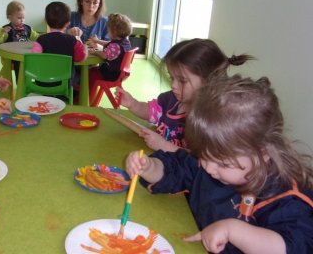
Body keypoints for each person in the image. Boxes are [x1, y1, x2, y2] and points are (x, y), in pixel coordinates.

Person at [126, 75, 313, 254]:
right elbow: (178, 167)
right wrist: (149, 167)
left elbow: (294, 247)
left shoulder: (287, 198)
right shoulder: (210, 163)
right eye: (203, 155)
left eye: (223, 164)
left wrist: (232, 230)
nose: (208, 167)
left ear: (263, 153)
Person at [117, 38, 253, 152]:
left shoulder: (210, 120)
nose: (173, 85)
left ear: (209, 81)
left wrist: (164, 146)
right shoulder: (171, 100)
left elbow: (201, 162)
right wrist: (133, 104)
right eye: (172, 78)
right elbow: (151, 112)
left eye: (182, 81)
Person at [88, 13, 132, 96]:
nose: (108, 32)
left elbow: (105, 55)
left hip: (112, 74)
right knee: (94, 70)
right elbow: (109, 44)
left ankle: (89, 94)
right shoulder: (124, 42)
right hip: (121, 73)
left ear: (113, 32)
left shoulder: (115, 46)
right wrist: (97, 41)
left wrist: (95, 52)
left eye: (108, 30)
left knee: (92, 72)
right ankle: (91, 93)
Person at [0, 1, 40, 80]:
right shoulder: (6, 29)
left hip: (26, 55)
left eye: (23, 18)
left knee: (37, 60)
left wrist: (45, 38)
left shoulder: (27, 28)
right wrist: (2, 32)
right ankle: (20, 83)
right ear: (10, 17)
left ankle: (33, 81)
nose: (22, 20)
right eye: (19, 18)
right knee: (19, 63)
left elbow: (36, 37)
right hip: (11, 57)